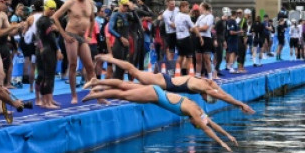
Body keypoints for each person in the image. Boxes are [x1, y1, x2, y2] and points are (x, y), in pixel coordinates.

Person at [82, 81, 237, 151]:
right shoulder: (195, 114)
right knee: (124, 95)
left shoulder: (199, 110)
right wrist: (220, 142)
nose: (192, 123)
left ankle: (97, 83)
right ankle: (95, 93)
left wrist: (227, 135)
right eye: (194, 124)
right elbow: (207, 129)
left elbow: (211, 124)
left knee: (125, 86)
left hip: (156, 93)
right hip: (154, 95)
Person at [91, 54, 254, 114]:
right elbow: (224, 96)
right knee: (134, 72)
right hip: (164, 82)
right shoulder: (204, 87)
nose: (203, 100)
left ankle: (99, 84)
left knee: (127, 86)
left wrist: (240, 104)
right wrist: (240, 104)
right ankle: (109, 59)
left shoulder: (208, 83)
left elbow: (221, 91)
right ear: (207, 96)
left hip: (163, 86)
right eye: (205, 99)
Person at [53, 0, 99, 103]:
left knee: (89, 65)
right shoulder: (70, 2)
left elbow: (92, 19)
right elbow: (55, 17)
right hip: (71, 35)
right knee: (73, 64)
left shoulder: (89, 2)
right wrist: (63, 35)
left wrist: (89, 34)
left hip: (82, 37)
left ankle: (95, 92)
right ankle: (74, 95)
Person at [36, 0, 63, 108]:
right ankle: (47, 102)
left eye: (54, 9)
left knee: (44, 75)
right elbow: (51, 38)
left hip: (41, 49)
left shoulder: (41, 20)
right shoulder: (46, 21)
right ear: (45, 8)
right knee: (48, 76)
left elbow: (40, 37)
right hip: (48, 50)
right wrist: (58, 49)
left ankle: (47, 100)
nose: (52, 11)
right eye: (51, 9)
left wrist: (56, 30)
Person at [173, 1, 195, 75]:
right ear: (182, 7)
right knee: (189, 57)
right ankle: (189, 75)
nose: (188, 9)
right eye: (187, 7)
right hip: (185, 38)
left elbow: (176, 25)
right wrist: (200, 36)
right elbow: (193, 27)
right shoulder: (186, 16)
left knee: (181, 56)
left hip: (178, 38)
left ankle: (177, 72)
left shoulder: (177, 15)